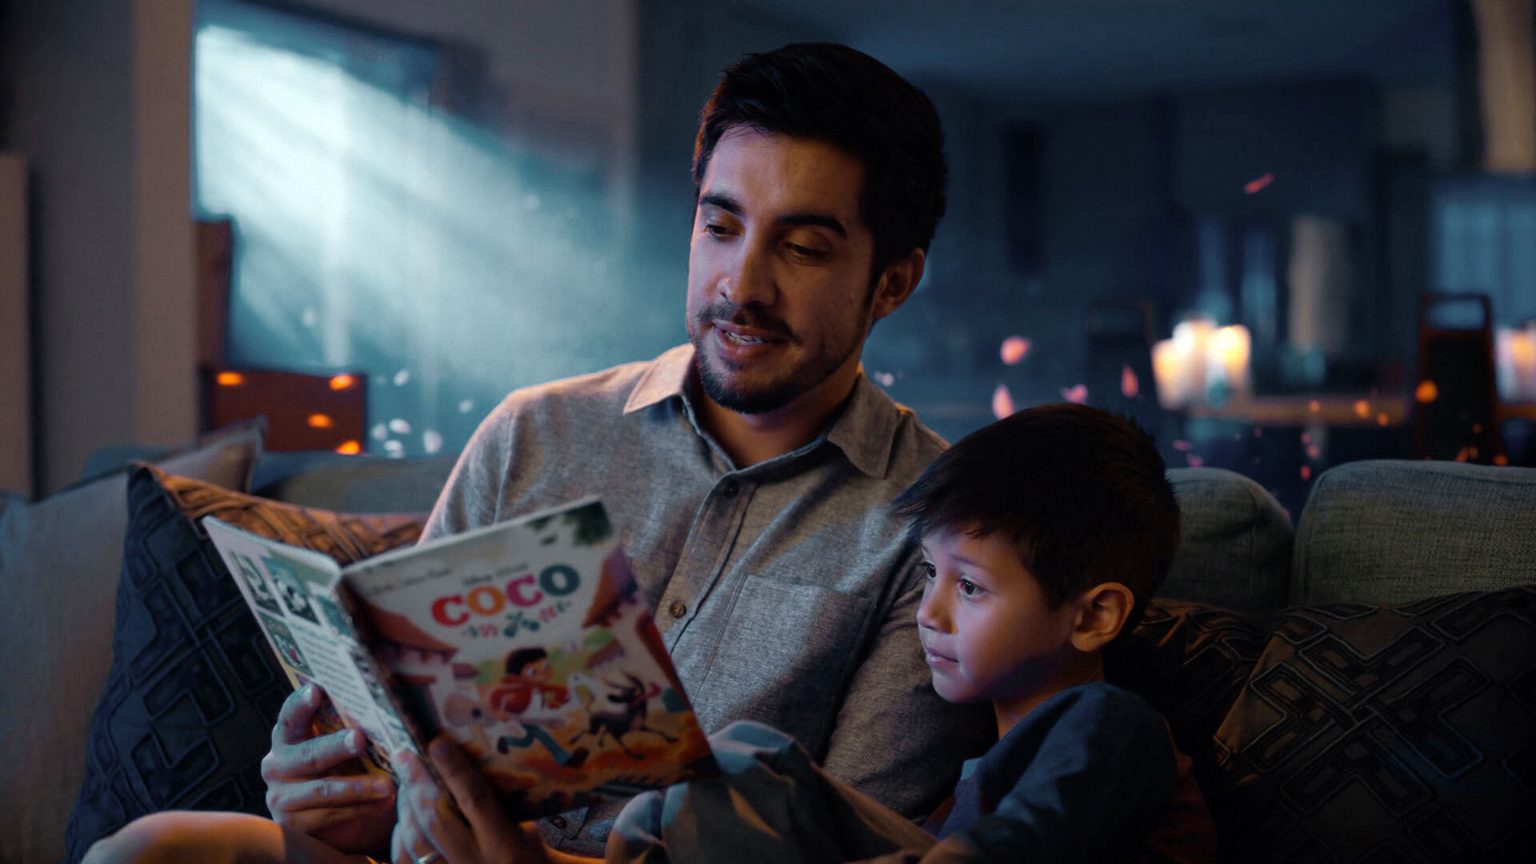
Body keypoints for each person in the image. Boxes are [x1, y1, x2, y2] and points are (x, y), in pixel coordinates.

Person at [83, 42, 992, 864]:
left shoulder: (937, 526)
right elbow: (414, 738)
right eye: (720, 228)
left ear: (892, 283)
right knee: (152, 850)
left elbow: (855, 848)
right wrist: (349, 796)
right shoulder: (537, 433)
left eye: (801, 248)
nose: (742, 284)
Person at [388, 404, 1217, 863]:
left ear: (1094, 615)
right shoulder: (965, 783)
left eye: (969, 587)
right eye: (928, 574)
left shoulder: (1110, 725)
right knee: (711, 785)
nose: (928, 612)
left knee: (749, 765)